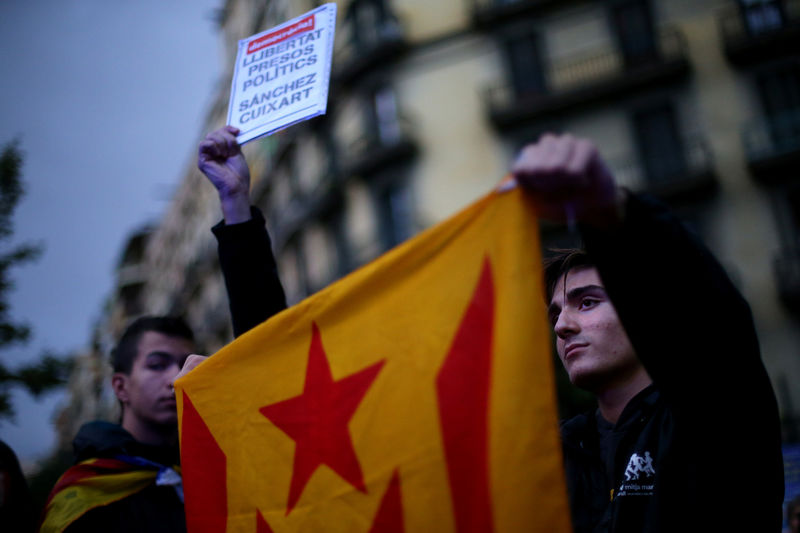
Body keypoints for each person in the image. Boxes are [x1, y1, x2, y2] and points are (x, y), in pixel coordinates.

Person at [513, 134, 784, 532]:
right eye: (555, 312)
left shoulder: (712, 415)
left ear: (644, 312)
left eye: (587, 302)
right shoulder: (549, 461)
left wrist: (609, 210)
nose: (561, 325)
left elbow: (715, 326)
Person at [40, 316, 195, 533]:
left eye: (186, 364)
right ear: (121, 387)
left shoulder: (205, 474)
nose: (177, 378)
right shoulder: (84, 494)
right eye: (158, 365)